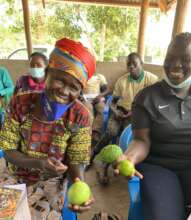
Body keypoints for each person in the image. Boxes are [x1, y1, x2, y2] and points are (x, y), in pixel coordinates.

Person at [0, 38, 96, 219]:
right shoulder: (20, 103)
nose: (64, 91)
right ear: (47, 73)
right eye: (60, 81)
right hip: (15, 175)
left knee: (41, 215)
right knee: (6, 215)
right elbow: (8, 149)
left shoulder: (81, 116)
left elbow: (76, 161)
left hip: (52, 181)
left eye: (74, 87)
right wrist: (39, 163)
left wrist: (79, 185)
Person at [116, 32, 191, 220]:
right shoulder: (147, 97)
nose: (175, 65)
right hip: (159, 168)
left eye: (185, 59)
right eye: (170, 58)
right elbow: (141, 141)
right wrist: (130, 157)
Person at [94, 52, 158, 184]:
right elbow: (112, 101)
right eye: (129, 64)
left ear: (142, 64)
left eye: (134, 63)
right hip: (122, 112)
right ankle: (96, 158)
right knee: (111, 131)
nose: (131, 67)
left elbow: (156, 102)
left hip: (142, 115)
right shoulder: (122, 81)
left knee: (133, 137)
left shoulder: (152, 80)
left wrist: (136, 113)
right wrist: (116, 112)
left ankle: (127, 164)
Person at [83, 72, 109, 144]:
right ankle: (88, 133)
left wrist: (100, 96)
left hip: (97, 99)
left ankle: (95, 131)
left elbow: (107, 90)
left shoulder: (99, 76)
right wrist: (81, 97)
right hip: (85, 99)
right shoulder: (82, 75)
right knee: (88, 110)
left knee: (103, 109)